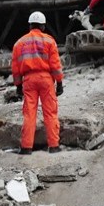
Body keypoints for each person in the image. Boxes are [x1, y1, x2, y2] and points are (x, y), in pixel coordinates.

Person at [12, 11, 64, 154]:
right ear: (43, 26)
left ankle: (26, 148)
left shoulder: (19, 43)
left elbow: (15, 68)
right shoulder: (49, 40)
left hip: (29, 80)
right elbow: (55, 64)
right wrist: (59, 82)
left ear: (30, 26)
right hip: (46, 79)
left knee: (29, 114)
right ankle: (54, 146)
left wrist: (18, 85)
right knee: (50, 113)